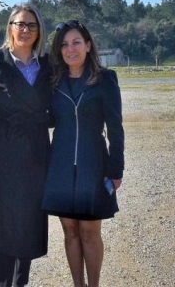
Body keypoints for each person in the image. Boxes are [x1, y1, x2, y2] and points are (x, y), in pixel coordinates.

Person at [0, 3, 52, 287]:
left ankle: (20, 282)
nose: (25, 30)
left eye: (31, 25)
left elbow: (57, 108)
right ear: (10, 28)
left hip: (35, 151)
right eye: (19, 24)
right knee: (3, 219)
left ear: (39, 31)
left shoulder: (48, 66)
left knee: (28, 217)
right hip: (0, 151)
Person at [42, 20, 124, 287]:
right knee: (70, 232)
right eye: (64, 45)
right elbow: (47, 118)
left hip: (93, 165)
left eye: (76, 42)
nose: (71, 49)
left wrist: (116, 169)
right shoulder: (53, 82)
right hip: (61, 165)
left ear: (88, 46)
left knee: (89, 231)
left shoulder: (105, 80)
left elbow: (115, 127)